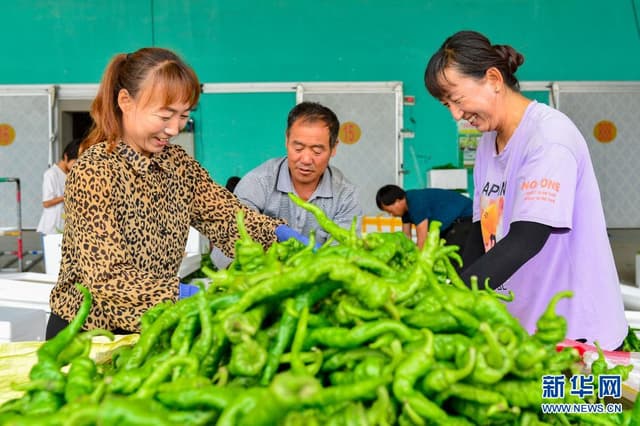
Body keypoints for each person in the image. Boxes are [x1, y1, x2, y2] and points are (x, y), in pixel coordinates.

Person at [46, 47, 289, 338]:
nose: (175, 128)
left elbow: (227, 219)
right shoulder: (94, 170)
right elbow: (106, 276)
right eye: (165, 115)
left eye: (184, 115)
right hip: (86, 333)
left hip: (151, 328)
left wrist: (281, 238)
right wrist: (188, 292)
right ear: (126, 101)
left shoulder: (179, 164)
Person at [424, 30, 627, 350]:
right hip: (524, 327)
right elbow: (481, 232)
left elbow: (526, 239)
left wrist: (452, 299)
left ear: (492, 79)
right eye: (446, 104)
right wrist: (454, 293)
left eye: (457, 99)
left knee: (570, 402)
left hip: (576, 332)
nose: (455, 114)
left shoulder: (548, 137)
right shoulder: (488, 144)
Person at [233, 101, 362, 246]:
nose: (306, 160)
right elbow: (235, 240)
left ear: (333, 148)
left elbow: (343, 254)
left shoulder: (346, 196)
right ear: (286, 140)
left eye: (317, 151)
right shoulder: (257, 183)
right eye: (298, 148)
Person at [375, 184, 472, 251]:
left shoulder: (416, 202)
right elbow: (406, 237)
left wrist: (415, 263)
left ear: (397, 201)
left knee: (453, 258)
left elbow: (422, 239)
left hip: (466, 218)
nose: (391, 215)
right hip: (451, 225)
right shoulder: (405, 210)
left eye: (390, 211)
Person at [36, 138, 82, 235]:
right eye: (75, 162)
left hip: (66, 225)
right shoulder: (51, 174)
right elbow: (46, 203)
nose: (77, 166)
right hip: (52, 227)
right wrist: (67, 196)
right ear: (66, 156)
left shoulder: (73, 174)